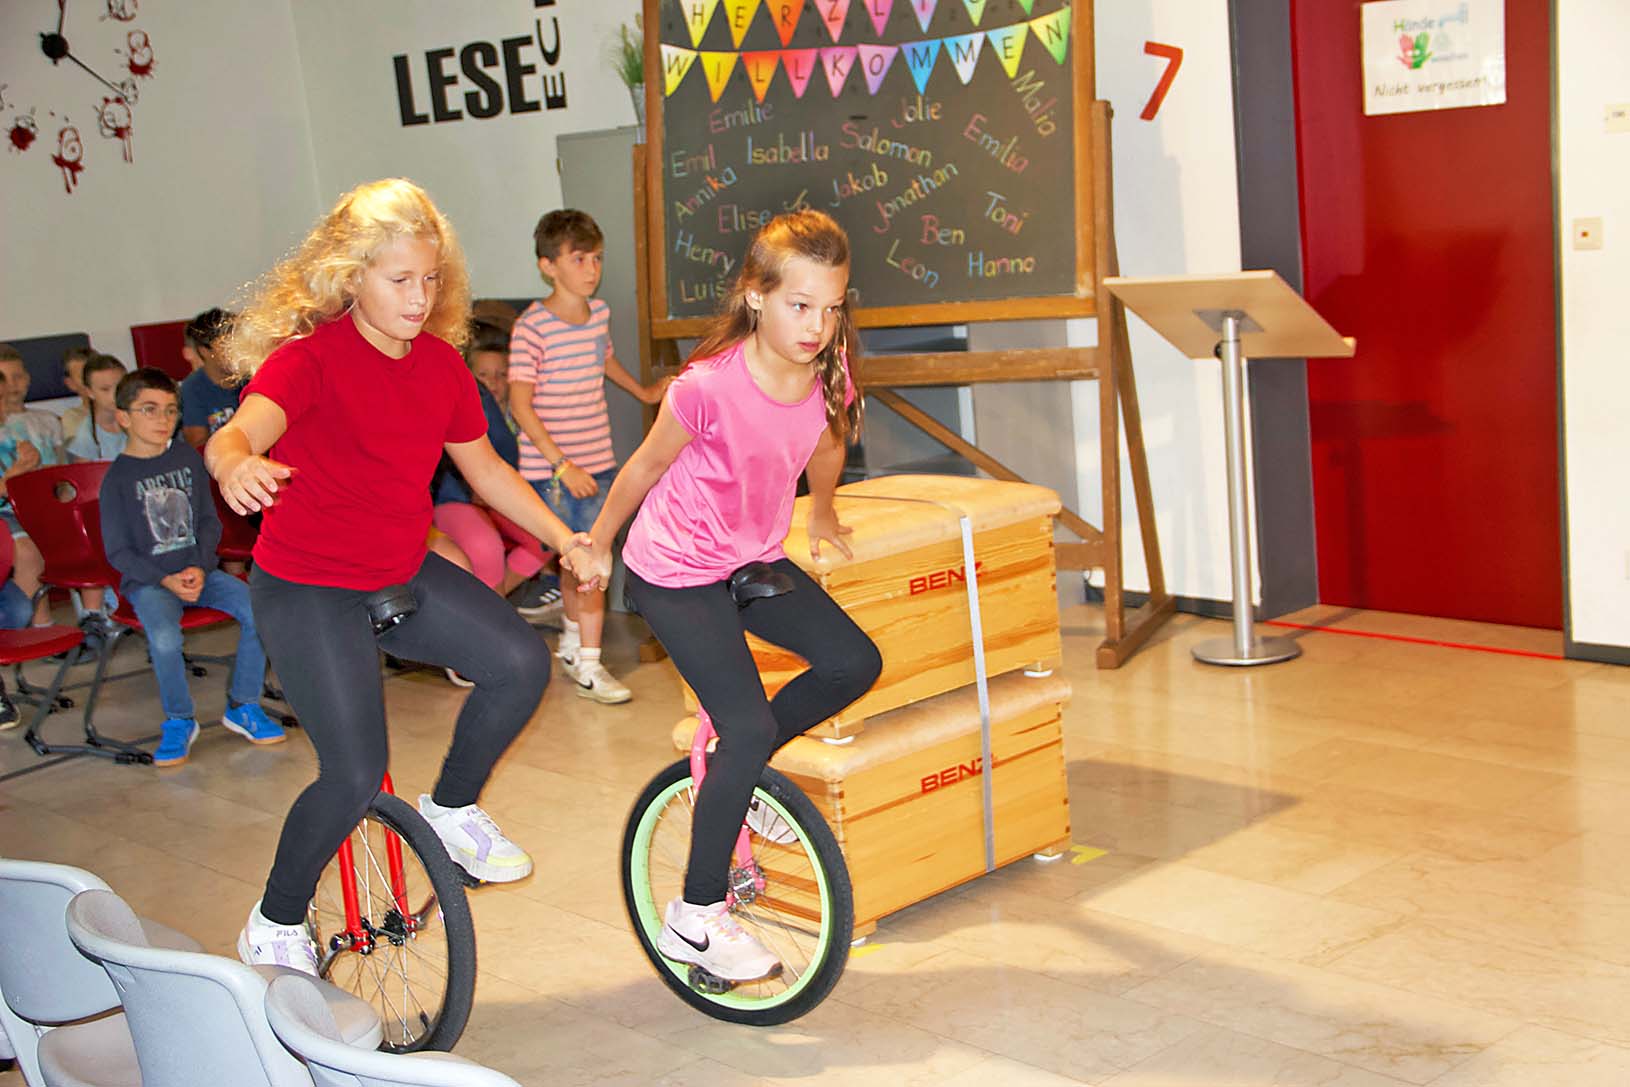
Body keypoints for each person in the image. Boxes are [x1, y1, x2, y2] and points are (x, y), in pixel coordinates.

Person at [207, 177, 600, 975]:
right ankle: (274, 919)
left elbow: (487, 472)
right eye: (399, 280)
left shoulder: (440, 367)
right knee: (354, 773)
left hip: (396, 568)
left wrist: (565, 538)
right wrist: (235, 463)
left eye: (430, 279)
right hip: (309, 585)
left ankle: (452, 806)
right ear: (352, 276)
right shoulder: (308, 361)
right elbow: (238, 433)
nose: (419, 298)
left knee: (520, 662)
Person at [583, 210, 881, 983]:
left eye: (832, 307)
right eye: (800, 305)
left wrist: (822, 510)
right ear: (755, 295)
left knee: (854, 661)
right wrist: (597, 541)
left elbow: (827, 440)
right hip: (675, 571)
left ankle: (735, 773)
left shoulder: (827, 371)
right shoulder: (707, 387)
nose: (817, 326)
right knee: (746, 723)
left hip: (750, 559)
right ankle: (695, 914)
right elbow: (645, 467)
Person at [509, 209, 667, 705]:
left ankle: (575, 644)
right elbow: (519, 404)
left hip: (598, 460)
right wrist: (562, 465)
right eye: (579, 259)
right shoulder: (532, 327)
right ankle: (591, 666)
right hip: (556, 471)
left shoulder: (598, 314)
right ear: (548, 266)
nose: (592, 269)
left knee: (577, 561)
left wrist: (643, 393)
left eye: (596, 258)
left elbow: (604, 359)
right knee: (592, 560)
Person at [97, 367, 285, 767]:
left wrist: (201, 567)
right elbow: (118, 552)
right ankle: (179, 719)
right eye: (149, 409)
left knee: (261, 611)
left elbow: (208, 523)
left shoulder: (187, 458)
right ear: (124, 417)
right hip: (149, 582)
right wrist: (164, 578)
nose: (163, 419)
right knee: (165, 639)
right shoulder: (116, 480)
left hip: (200, 572)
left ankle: (243, 705)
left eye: (170, 410)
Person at [433, 320, 550, 601]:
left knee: (543, 541)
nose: (493, 383)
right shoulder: (465, 402)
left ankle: (492, 601)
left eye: (501, 374)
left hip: (498, 496)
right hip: (459, 497)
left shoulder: (516, 416)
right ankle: (488, 603)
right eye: (483, 375)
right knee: (484, 547)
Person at [179, 308, 241, 447]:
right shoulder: (192, 389)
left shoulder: (251, 379)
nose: (236, 351)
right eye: (225, 345)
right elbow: (198, 443)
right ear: (205, 351)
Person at [0, 344, 64, 465]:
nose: (12, 384)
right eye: (3, 379)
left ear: (27, 378)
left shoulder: (49, 420)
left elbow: (62, 466)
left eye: (17, 377)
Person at [66, 354, 128, 462]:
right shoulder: (86, 435)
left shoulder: (140, 420)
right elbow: (84, 471)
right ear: (90, 392)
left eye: (120, 386)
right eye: (105, 389)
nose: (114, 395)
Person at [60, 345, 95, 440]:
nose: (92, 381)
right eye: (84, 377)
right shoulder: (73, 417)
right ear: (71, 384)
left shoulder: (124, 409)